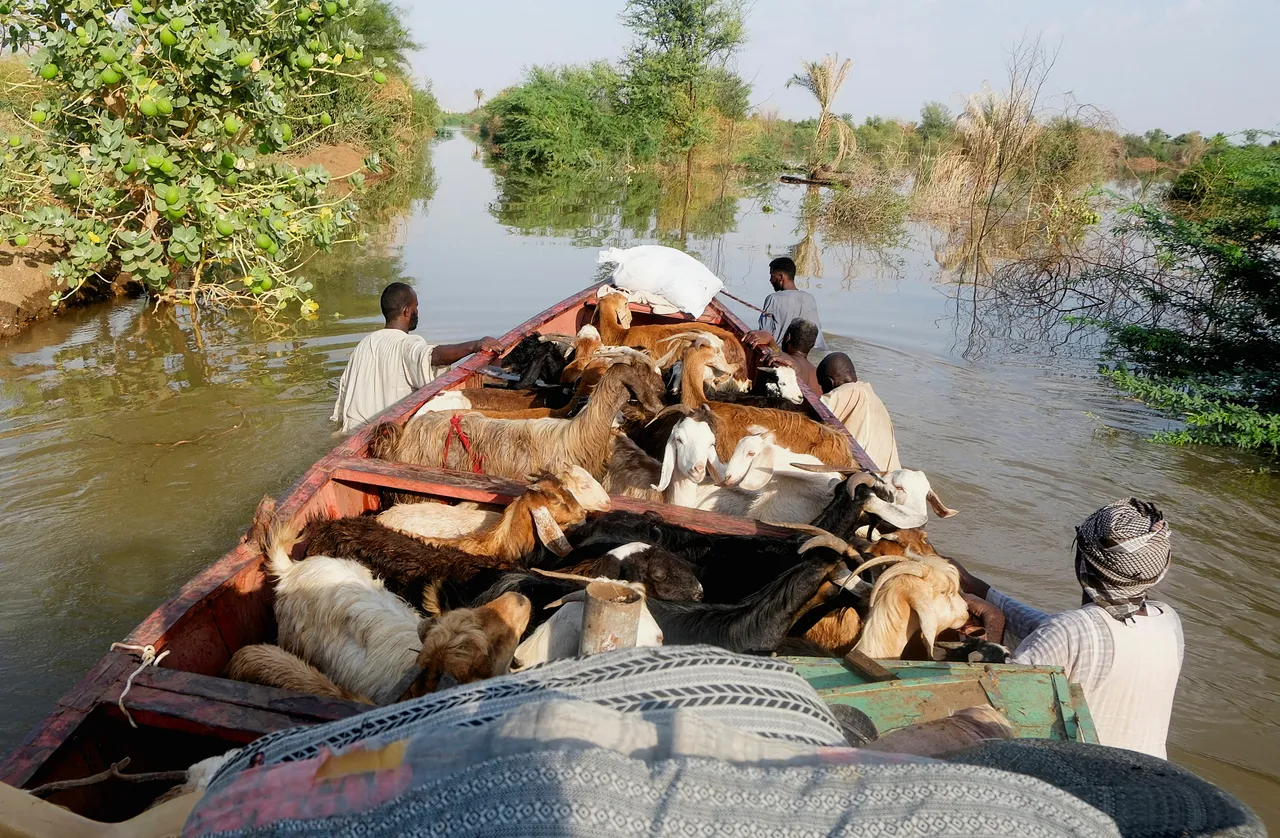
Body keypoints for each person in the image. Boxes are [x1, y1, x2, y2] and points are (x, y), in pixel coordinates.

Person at [950, 498, 1184, 760]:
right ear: (1158, 570)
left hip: (1082, 770)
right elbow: (1058, 632)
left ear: (1082, 561)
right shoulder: (1168, 620)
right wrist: (977, 586)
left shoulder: (1070, 630)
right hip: (1152, 769)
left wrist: (992, 624)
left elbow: (998, 703)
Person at [330, 282, 501, 434]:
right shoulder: (407, 343)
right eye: (416, 307)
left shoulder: (364, 343)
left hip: (352, 433)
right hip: (384, 436)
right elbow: (433, 356)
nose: (417, 311)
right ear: (406, 311)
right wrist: (475, 345)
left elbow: (344, 393)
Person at [816, 352, 902, 471]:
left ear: (829, 382)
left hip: (863, 476)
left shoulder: (844, 392)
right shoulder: (877, 401)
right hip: (888, 476)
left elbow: (814, 411)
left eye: (822, 385)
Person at [758, 256, 826, 351]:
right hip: (815, 350)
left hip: (782, 352)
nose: (770, 280)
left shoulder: (773, 299)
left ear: (780, 277)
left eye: (772, 276)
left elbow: (764, 333)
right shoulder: (810, 298)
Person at [743, 319, 822, 393]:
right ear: (813, 344)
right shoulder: (818, 374)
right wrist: (771, 341)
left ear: (787, 337)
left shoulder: (788, 364)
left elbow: (794, 366)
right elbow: (780, 353)